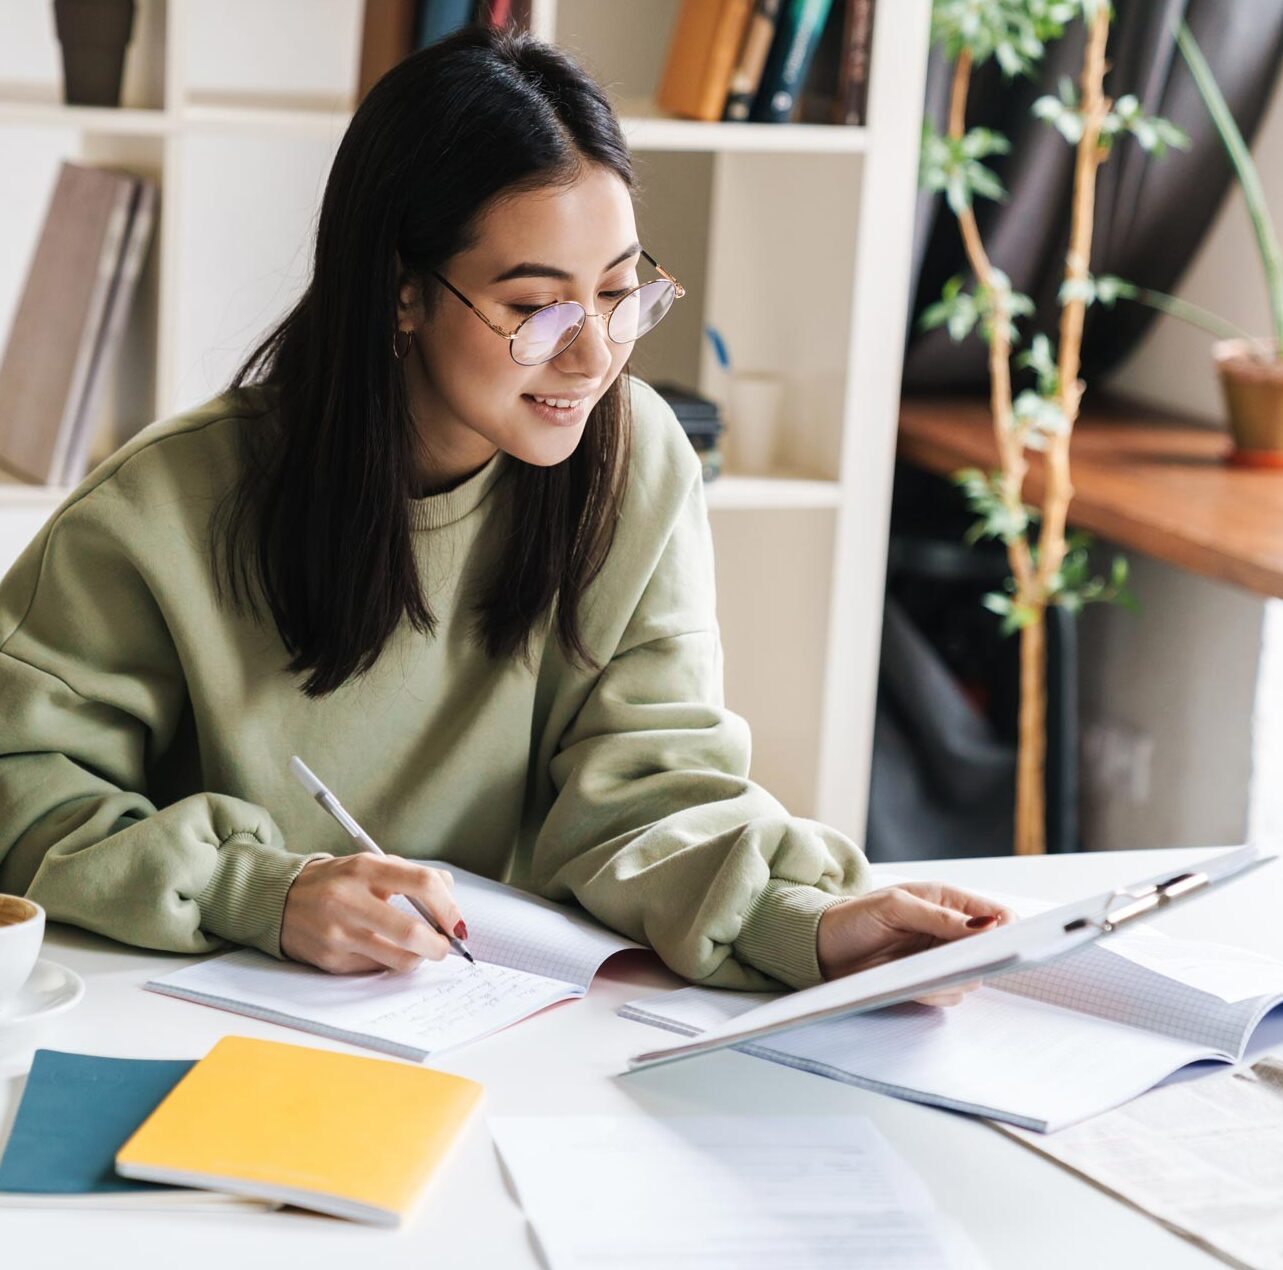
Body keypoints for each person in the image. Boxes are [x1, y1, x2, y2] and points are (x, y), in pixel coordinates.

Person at [0, 27, 1010, 999]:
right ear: (401, 293)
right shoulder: (165, 508)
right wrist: (264, 892)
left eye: (619, 293)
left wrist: (813, 922)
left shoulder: (636, 459)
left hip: (496, 1019)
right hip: (203, 1017)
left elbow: (651, 793)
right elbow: (21, 794)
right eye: (536, 309)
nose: (592, 356)